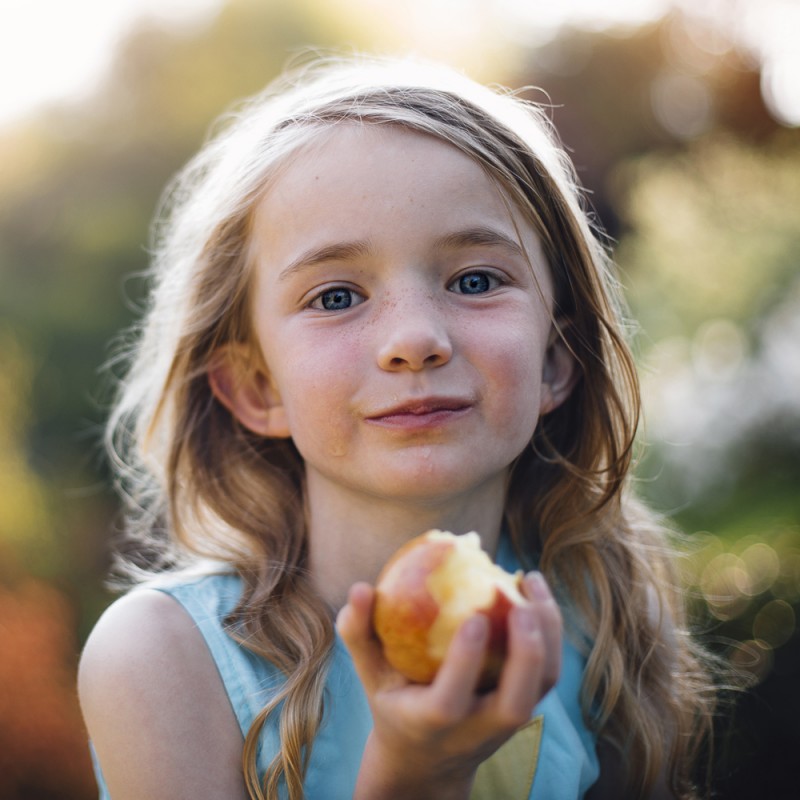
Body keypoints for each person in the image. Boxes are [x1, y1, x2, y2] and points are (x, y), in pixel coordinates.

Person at [78, 54, 717, 800]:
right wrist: (419, 778)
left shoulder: (601, 615)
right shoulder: (163, 660)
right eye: (337, 295)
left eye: (475, 280)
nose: (414, 339)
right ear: (257, 387)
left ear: (556, 359)